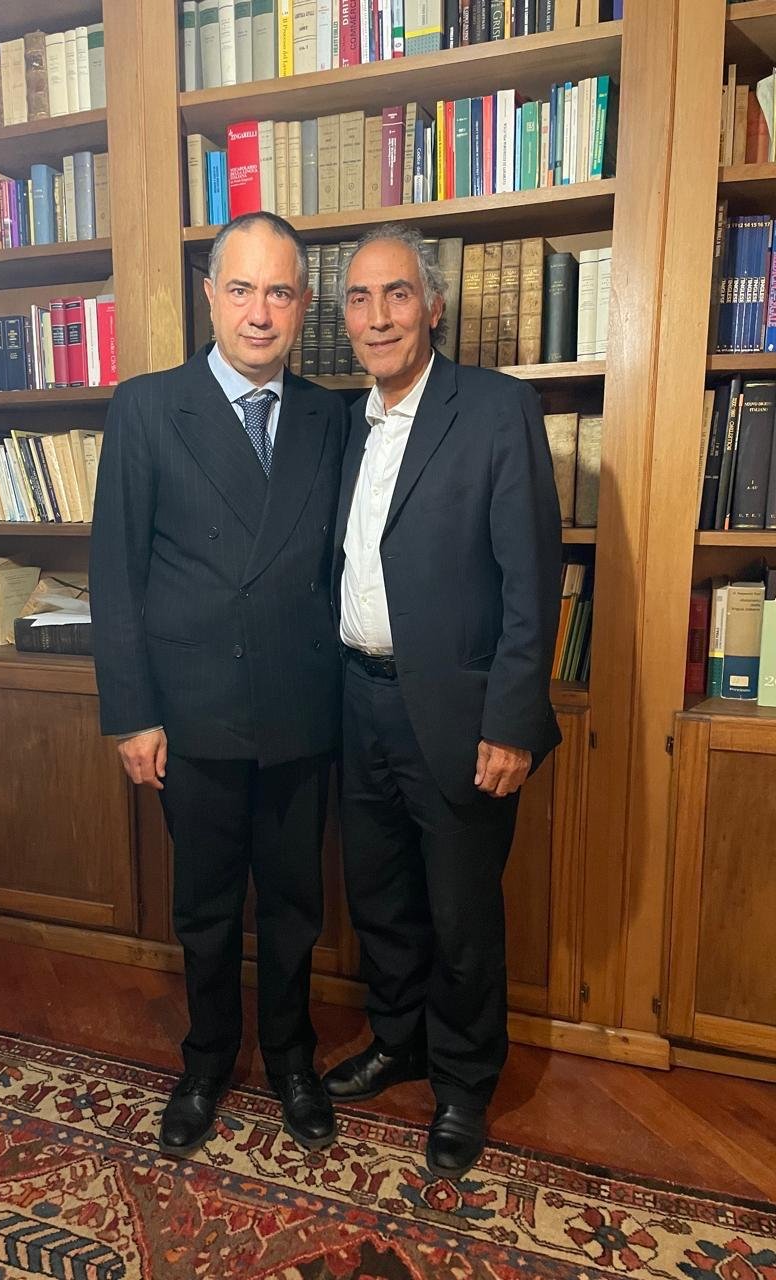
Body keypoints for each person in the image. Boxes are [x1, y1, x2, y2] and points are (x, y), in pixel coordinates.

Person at [90, 212, 345, 1157]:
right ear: (209, 296)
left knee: (293, 908)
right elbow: (116, 574)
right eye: (241, 290)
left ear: (303, 305)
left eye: (278, 292)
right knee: (204, 910)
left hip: (301, 710)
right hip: (190, 714)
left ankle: (290, 1061)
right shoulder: (148, 407)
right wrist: (133, 715)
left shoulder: (330, 415)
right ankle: (205, 1061)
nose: (259, 313)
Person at [321, 223, 562, 1180]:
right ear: (345, 318)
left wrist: (511, 723)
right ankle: (399, 1041)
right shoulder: (344, 424)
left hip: (461, 715)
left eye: (397, 295)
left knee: (461, 915)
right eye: (360, 299)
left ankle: (463, 1082)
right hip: (357, 699)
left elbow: (531, 580)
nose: (378, 317)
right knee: (379, 895)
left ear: (433, 306)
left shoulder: (496, 410)